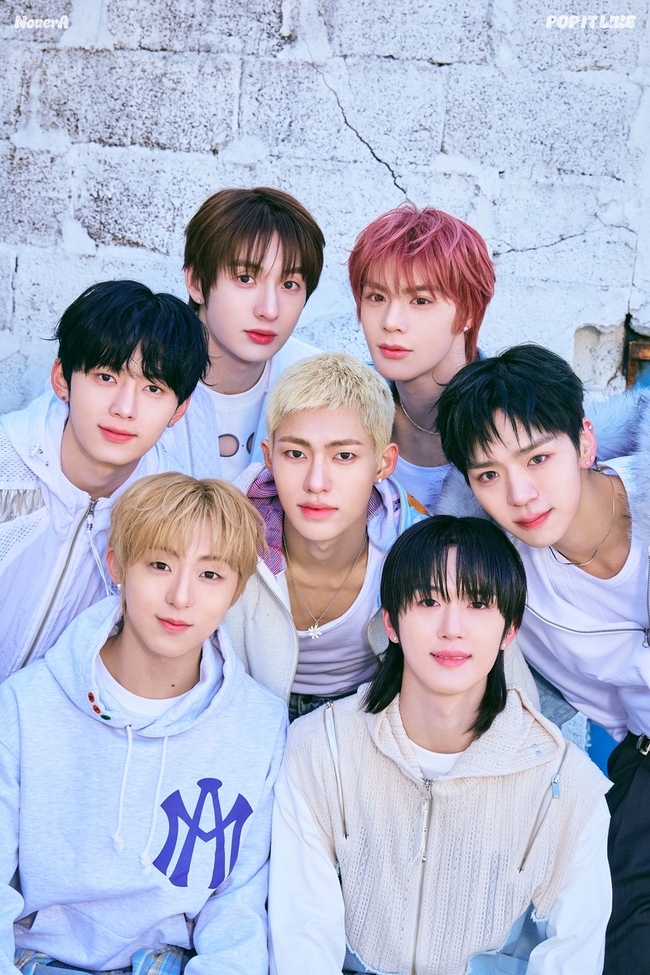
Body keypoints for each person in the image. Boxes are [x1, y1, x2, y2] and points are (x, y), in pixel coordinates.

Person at [268, 515, 611, 975]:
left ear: (510, 629)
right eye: (429, 601)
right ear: (391, 622)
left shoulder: (567, 787)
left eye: (478, 603)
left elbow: (572, 956)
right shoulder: (319, 749)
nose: (452, 628)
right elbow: (302, 935)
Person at [0, 472, 287, 975]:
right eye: (159, 565)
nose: (181, 597)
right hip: (36, 958)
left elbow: (237, 907)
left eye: (210, 575)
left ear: (237, 590)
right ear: (117, 566)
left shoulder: (259, 725)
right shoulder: (25, 706)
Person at [435, 344, 650, 975]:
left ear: (584, 442)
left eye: (537, 458)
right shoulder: (502, 576)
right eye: (488, 475)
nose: (521, 494)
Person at [225, 352, 535, 721]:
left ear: (384, 463)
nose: (316, 483)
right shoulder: (222, 538)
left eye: (344, 456)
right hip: (246, 717)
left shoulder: (423, 550)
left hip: (371, 716)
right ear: (269, 457)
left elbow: (514, 697)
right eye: (295, 453)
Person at [0, 280, 209, 682]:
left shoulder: (170, 515)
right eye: (106, 377)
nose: (124, 409)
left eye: (153, 388)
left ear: (179, 409)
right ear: (62, 379)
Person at [163, 187, 325, 481]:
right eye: (245, 278)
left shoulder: (323, 387)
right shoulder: (140, 380)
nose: (269, 310)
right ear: (196, 282)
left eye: (289, 284)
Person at [348, 202, 494, 510]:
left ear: (468, 312)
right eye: (376, 297)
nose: (391, 322)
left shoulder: (520, 423)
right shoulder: (341, 414)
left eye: (420, 300)